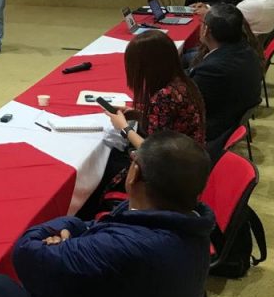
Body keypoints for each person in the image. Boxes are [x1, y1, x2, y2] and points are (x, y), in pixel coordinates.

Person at [13, 131, 215, 297]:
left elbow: (26, 253)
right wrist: (75, 234)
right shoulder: (190, 225)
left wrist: (67, 226)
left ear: (134, 173)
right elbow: (100, 226)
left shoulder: (120, 249)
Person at [78, 29, 206, 217]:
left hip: (170, 172)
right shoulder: (182, 82)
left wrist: (124, 127)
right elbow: (167, 125)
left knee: (103, 167)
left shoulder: (164, 96)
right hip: (186, 161)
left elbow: (153, 152)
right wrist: (138, 114)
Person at [189, 3, 262, 155]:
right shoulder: (247, 50)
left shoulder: (212, 70)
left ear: (206, 30)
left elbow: (187, 104)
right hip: (229, 116)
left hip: (212, 131)